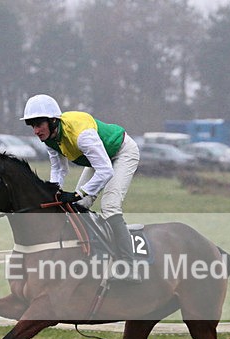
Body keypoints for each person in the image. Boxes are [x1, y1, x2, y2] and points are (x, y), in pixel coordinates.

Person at [21, 94, 141, 282]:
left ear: (53, 121)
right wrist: (54, 193)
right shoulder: (50, 138)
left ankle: (129, 267)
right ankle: (92, 253)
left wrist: (78, 193)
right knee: (78, 207)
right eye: (32, 126)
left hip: (122, 153)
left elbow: (105, 171)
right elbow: (59, 169)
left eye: (38, 124)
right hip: (99, 159)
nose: (36, 131)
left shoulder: (81, 135)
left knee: (110, 207)